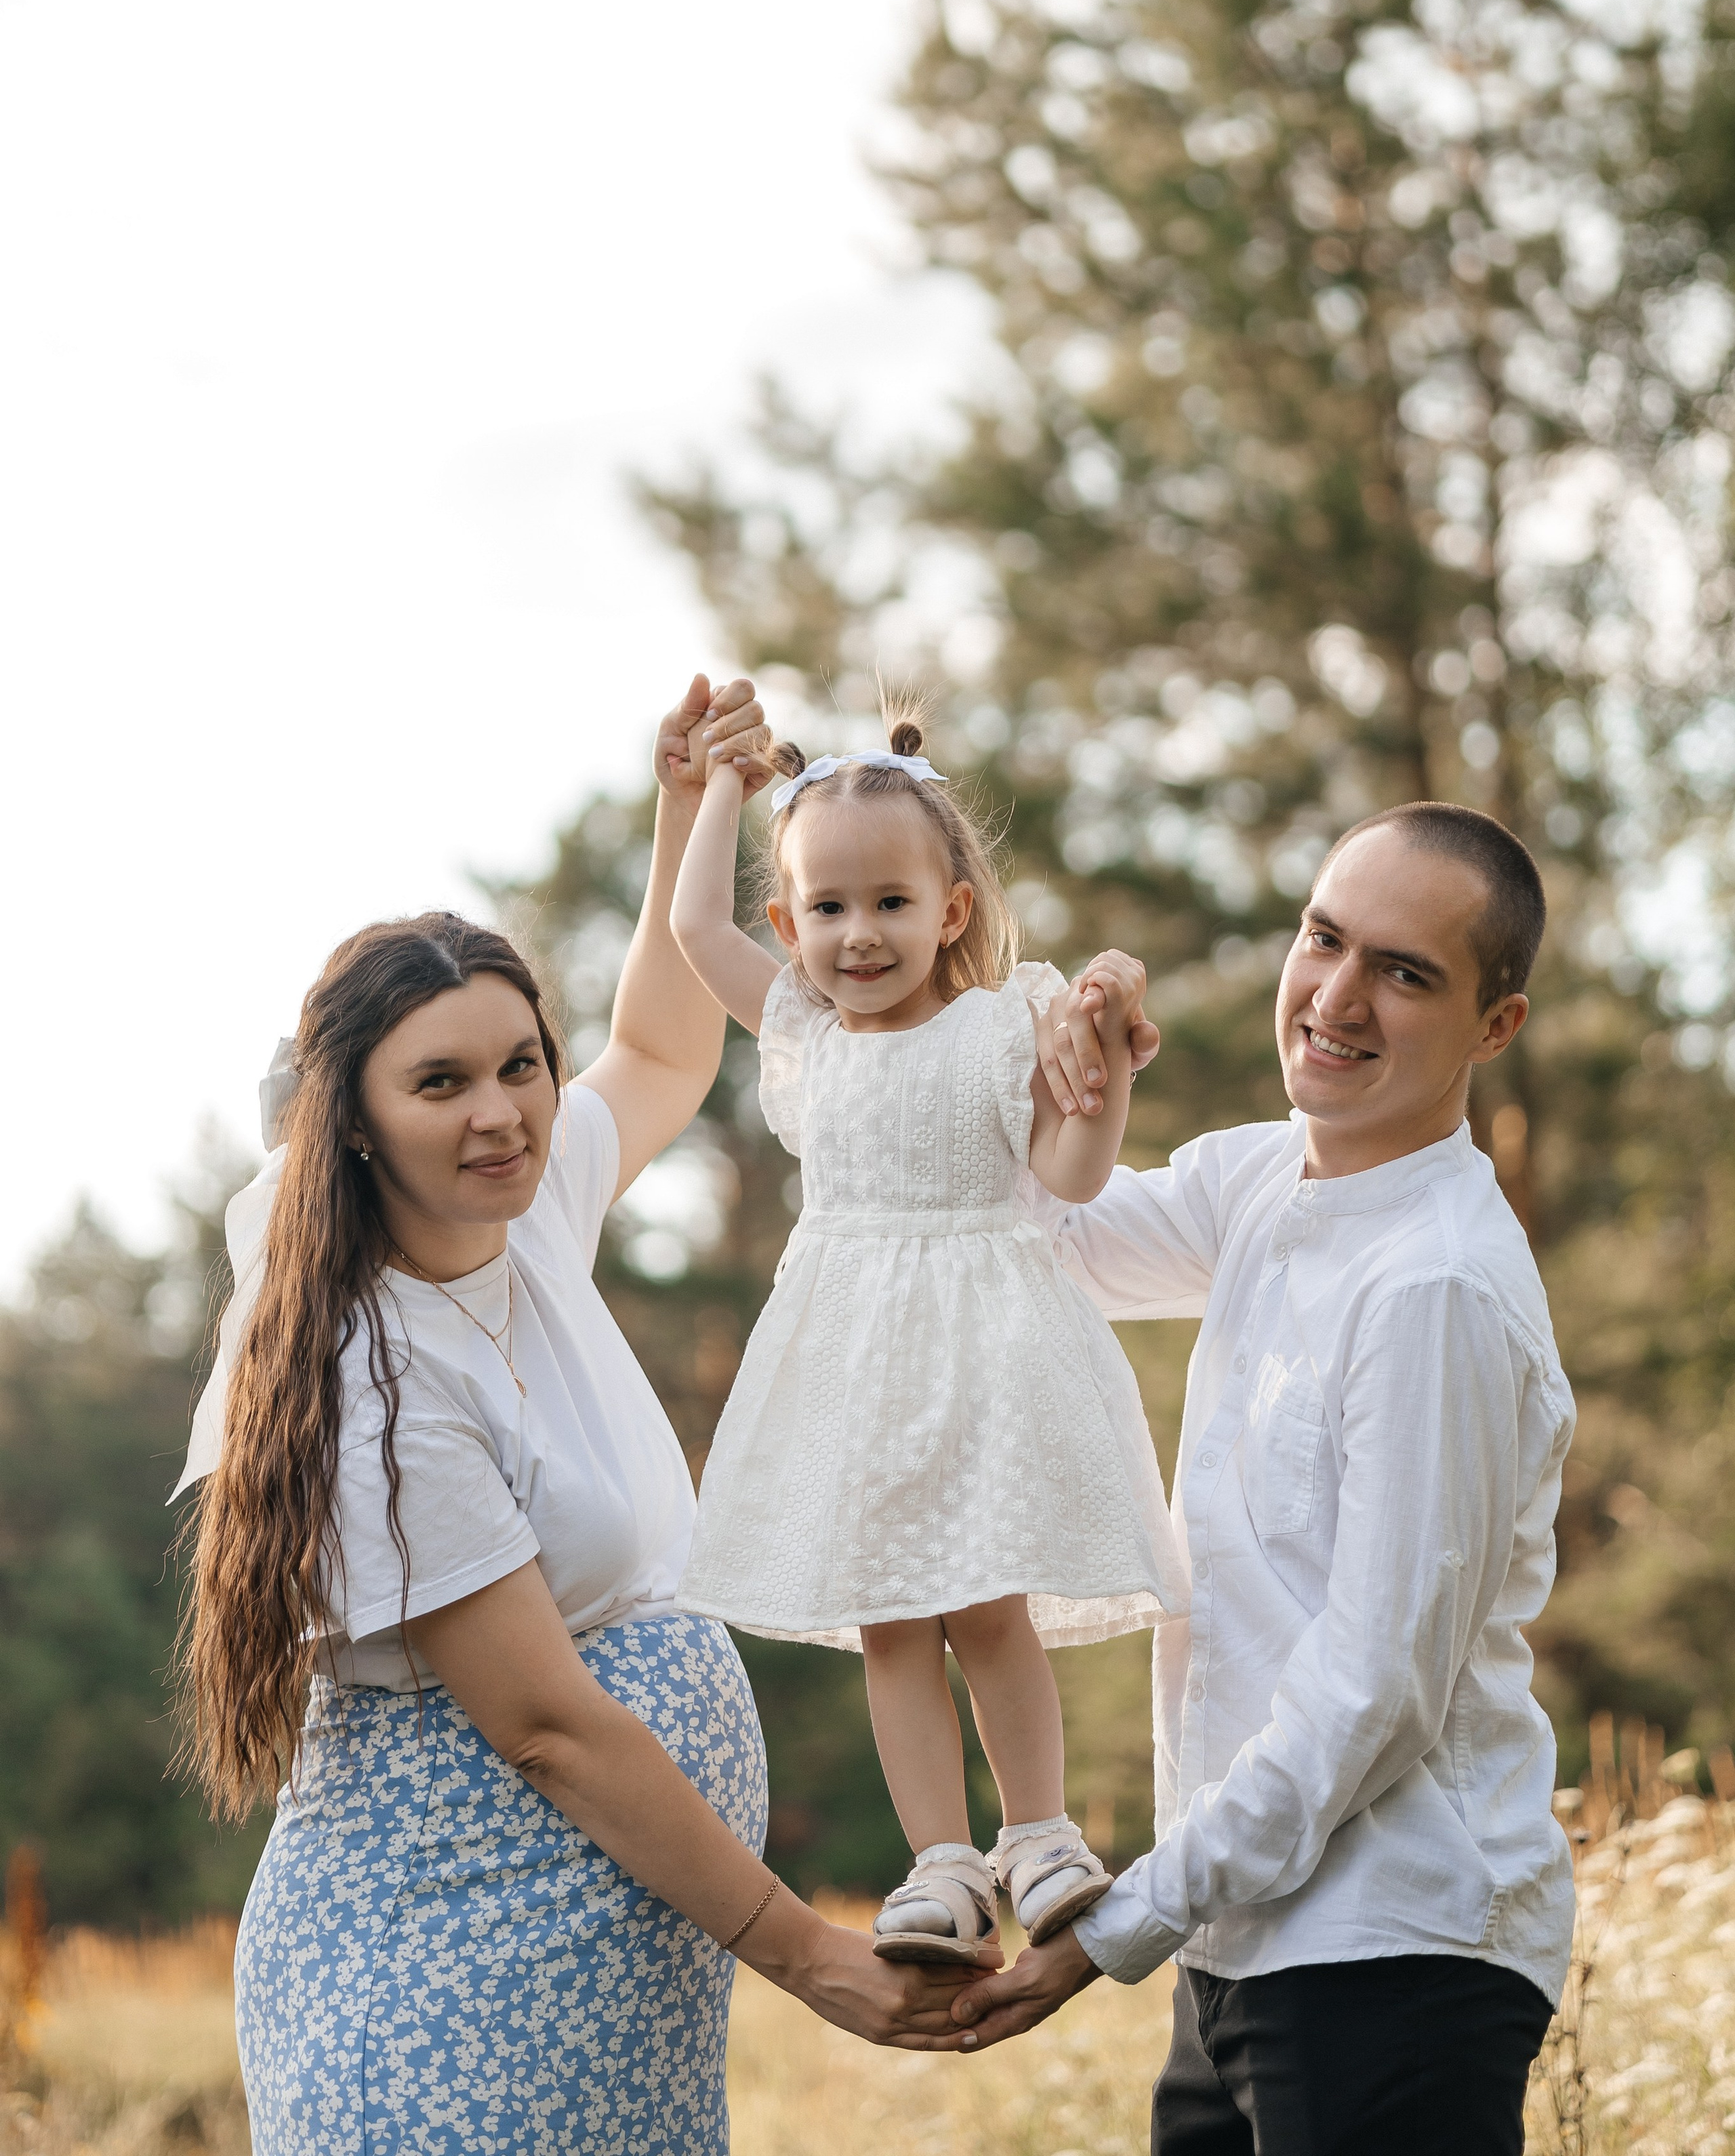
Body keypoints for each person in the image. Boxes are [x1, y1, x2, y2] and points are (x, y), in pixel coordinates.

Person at [173, 676, 974, 2156]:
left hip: (606, 1967)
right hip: (441, 1976)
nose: (503, 1113)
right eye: (441, 1083)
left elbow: (667, 1054)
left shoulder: (521, 1220)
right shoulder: (376, 1379)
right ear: (350, 1121)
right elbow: (546, 1727)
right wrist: (808, 1954)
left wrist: (688, 809)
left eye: (520, 1065)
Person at [950, 802, 1576, 2156]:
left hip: (1394, 1957)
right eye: (1323, 939)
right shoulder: (1255, 1181)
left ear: (1492, 1027)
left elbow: (1370, 1699)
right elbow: (1030, 1235)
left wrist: (1118, 1922)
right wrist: (1051, 1036)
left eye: (1404, 973)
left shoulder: (1436, 1290)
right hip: (1240, 1947)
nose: (1337, 997)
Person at [668, 709, 1188, 1966]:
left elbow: (1068, 1175)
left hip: (988, 1355)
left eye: (891, 902)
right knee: (893, 1624)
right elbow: (694, 931)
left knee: (987, 1602)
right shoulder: (800, 1034)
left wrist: (1107, 1068)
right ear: (790, 929)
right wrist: (721, 790)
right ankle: (942, 1865)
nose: (860, 935)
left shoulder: (1008, 1023)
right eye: (829, 909)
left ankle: (1041, 1833)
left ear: (952, 910)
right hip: (854, 1370)